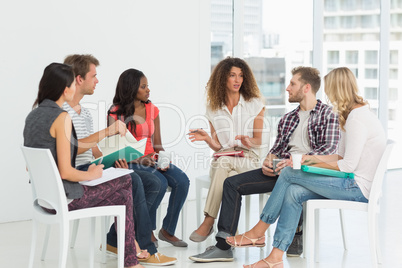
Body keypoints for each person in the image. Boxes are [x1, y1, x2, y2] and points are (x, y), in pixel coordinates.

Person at [226, 67, 386, 268]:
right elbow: (338, 156)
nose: (327, 95)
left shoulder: (357, 119)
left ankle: (258, 231)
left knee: (290, 173)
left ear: (339, 89)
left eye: (330, 90)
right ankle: (275, 258)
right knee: (293, 191)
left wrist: (300, 162)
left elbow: (347, 165)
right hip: (351, 181)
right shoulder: (353, 115)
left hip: (357, 188)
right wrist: (302, 161)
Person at [189, 66, 340, 262]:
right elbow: (276, 148)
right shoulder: (287, 119)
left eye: (292, 84)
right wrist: (270, 161)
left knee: (292, 183)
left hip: (309, 173)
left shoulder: (327, 115)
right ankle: (223, 245)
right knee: (231, 184)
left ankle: (295, 231)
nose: (287, 88)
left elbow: (327, 151)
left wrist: (292, 162)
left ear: (306, 88)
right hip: (282, 170)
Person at [23, 63, 144, 268]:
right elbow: (65, 171)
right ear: (65, 89)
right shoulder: (61, 117)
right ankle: (131, 260)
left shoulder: (32, 116)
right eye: (72, 84)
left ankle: (130, 259)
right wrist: (92, 173)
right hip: (64, 199)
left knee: (123, 196)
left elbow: (34, 166)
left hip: (43, 199)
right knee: (125, 179)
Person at [62, 55, 176, 266]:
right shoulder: (62, 113)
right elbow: (69, 150)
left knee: (153, 181)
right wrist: (107, 133)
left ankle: (119, 239)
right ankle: (144, 248)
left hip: (95, 165)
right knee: (136, 181)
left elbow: (93, 149)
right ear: (79, 79)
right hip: (82, 173)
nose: (97, 81)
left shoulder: (84, 113)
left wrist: (111, 159)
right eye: (93, 76)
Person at [108, 68, 190, 248]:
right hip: (129, 161)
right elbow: (114, 150)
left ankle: (167, 230)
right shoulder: (116, 112)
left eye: (148, 86)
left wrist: (163, 160)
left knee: (182, 180)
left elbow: (158, 144)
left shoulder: (152, 109)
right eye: (143, 86)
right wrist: (139, 160)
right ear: (131, 89)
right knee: (158, 182)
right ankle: (147, 230)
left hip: (151, 160)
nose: (148, 90)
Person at [188, 57, 265, 242]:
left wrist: (248, 141)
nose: (237, 80)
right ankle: (227, 237)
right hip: (226, 157)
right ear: (223, 78)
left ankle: (208, 220)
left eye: (240, 76)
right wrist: (207, 138)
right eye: (232, 75)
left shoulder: (255, 103)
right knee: (227, 173)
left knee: (222, 163)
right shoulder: (213, 108)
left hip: (249, 157)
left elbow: (258, 140)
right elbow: (218, 146)